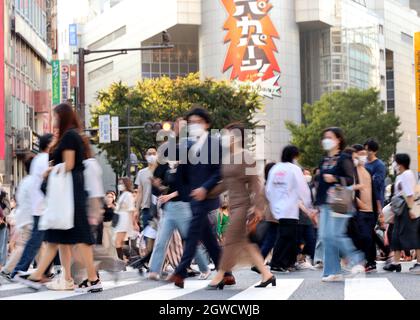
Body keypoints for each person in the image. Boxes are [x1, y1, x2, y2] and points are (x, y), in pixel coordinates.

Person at [16, 103, 102, 293]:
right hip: (65, 194)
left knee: (78, 236)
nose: (53, 119)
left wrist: (50, 169)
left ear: (62, 116)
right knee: (60, 237)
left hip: (70, 194)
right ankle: (66, 278)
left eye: (54, 116)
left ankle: (91, 278)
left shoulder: (70, 135)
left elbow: (70, 164)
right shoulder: (66, 136)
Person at [168, 106, 232, 289]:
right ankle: (226, 272)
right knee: (207, 236)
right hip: (193, 197)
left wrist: (205, 187)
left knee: (193, 233)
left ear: (207, 123)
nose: (194, 125)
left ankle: (180, 272)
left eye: (198, 122)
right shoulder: (188, 144)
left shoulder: (214, 143)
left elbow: (219, 170)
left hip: (208, 195)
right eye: (191, 122)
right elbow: (181, 170)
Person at [207, 123, 275, 290]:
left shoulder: (246, 157)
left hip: (243, 206)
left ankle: (220, 274)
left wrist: (258, 208)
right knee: (245, 243)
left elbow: (256, 183)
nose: (223, 137)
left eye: (227, 134)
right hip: (232, 205)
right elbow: (225, 184)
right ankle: (267, 275)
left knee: (230, 239)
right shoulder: (227, 158)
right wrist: (207, 193)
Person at [148, 118, 210, 281]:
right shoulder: (164, 167)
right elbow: (156, 182)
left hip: (183, 207)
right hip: (168, 210)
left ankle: (204, 268)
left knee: (190, 240)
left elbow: (187, 189)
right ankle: (154, 271)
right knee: (161, 240)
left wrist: (170, 195)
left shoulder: (186, 166)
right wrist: (158, 186)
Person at [315, 127, 365, 282]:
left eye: (329, 137)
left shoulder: (344, 158)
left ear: (338, 140)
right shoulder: (324, 160)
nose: (326, 140)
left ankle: (357, 260)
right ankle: (333, 271)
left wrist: (335, 178)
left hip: (339, 200)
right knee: (325, 236)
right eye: (324, 137)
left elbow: (350, 180)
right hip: (325, 203)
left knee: (335, 234)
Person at [10, 134, 54, 280]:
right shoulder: (45, 160)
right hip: (42, 206)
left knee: (45, 241)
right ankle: (19, 270)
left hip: (39, 206)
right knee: (38, 241)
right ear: (48, 144)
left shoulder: (38, 159)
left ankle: (43, 271)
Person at [266, 146, 313, 273]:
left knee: (285, 236)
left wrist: (274, 205)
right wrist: (309, 207)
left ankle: (284, 263)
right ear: (294, 156)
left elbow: (269, 190)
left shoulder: (275, 168)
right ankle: (277, 263)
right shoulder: (294, 169)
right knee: (287, 237)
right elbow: (303, 189)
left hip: (279, 209)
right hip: (290, 209)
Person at [384, 154, 420, 274]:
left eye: (395, 161)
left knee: (411, 234)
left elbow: (409, 194)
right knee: (396, 234)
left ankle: (419, 263)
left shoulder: (407, 175)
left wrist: (410, 210)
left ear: (400, 163)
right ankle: (395, 263)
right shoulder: (401, 175)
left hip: (407, 207)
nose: (393, 164)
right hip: (400, 208)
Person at [0, 156, 34, 279]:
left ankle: (44, 271)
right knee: (23, 246)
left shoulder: (25, 181)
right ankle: (8, 269)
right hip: (28, 219)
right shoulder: (33, 181)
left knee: (37, 245)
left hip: (24, 218)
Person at [351, 144, 377, 272]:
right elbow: (351, 193)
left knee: (370, 237)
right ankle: (364, 261)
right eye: (360, 154)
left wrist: (377, 209)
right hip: (360, 211)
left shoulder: (367, 170)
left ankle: (371, 262)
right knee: (364, 237)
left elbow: (373, 191)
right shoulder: (352, 171)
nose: (363, 157)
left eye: (364, 154)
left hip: (371, 211)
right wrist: (361, 205)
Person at [364, 139, 386, 268]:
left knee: (369, 231)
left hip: (374, 202)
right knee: (367, 231)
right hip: (363, 202)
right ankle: (386, 250)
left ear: (375, 151)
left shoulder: (379, 165)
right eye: (366, 149)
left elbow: (377, 186)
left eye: (369, 150)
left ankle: (371, 261)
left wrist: (379, 208)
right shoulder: (364, 164)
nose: (367, 152)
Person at [296, 169, 317, 269]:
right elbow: (298, 202)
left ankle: (312, 259)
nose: (307, 176)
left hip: (308, 219)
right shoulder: (296, 186)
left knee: (311, 239)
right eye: (305, 174)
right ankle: (299, 260)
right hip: (298, 218)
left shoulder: (309, 187)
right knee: (299, 241)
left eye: (309, 174)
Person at [134, 147, 158, 235]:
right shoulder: (141, 173)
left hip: (160, 209)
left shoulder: (161, 170)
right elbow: (140, 192)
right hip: (146, 208)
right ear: (145, 156)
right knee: (146, 237)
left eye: (154, 153)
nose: (152, 156)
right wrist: (136, 210)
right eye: (149, 154)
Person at [114, 178, 136, 262]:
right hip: (120, 220)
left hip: (124, 220)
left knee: (118, 242)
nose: (120, 185)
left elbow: (131, 210)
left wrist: (133, 224)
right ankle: (129, 258)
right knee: (121, 243)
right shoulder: (123, 195)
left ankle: (123, 261)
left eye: (121, 183)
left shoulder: (128, 195)